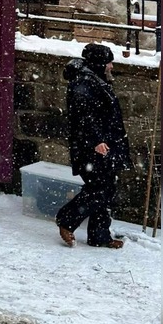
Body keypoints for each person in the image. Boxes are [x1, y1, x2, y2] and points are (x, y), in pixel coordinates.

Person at [55, 43, 132, 249]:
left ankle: (100, 235)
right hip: (92, 147)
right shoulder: (84, 82)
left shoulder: (94, 79)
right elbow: (83, 116)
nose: (111, 66)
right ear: (100, 63)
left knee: (105, 188)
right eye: (109, 62)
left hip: (102, 144)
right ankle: (66, 219)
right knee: (100, 188)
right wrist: (96, 140)